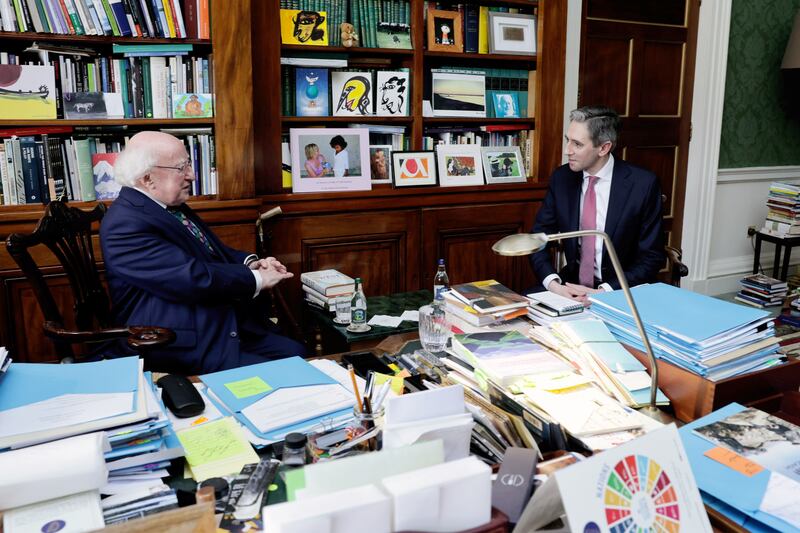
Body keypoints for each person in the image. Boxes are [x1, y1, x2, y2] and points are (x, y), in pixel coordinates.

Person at [100, 131, 307, 374]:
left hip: (212, 321)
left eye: (188, 163)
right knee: (287, 370)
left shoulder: (166, 205)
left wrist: (251, 263)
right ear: (147, 178)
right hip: (175, 337)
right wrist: (258, 280)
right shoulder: (125, 224)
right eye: (181, 167)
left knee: (296, 353)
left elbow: (211, 252)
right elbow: (192, 277)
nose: (192, 174)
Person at [530, 106, 664, 304]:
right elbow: (538, 238)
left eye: (577, 144)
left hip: (622, 289)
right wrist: (554, 285)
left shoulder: (642, 184)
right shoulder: (562, 178)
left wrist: (605, 292)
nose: (568, 151)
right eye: (568, 140)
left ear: (604, 148)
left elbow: (652, 256)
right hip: (571, 286)